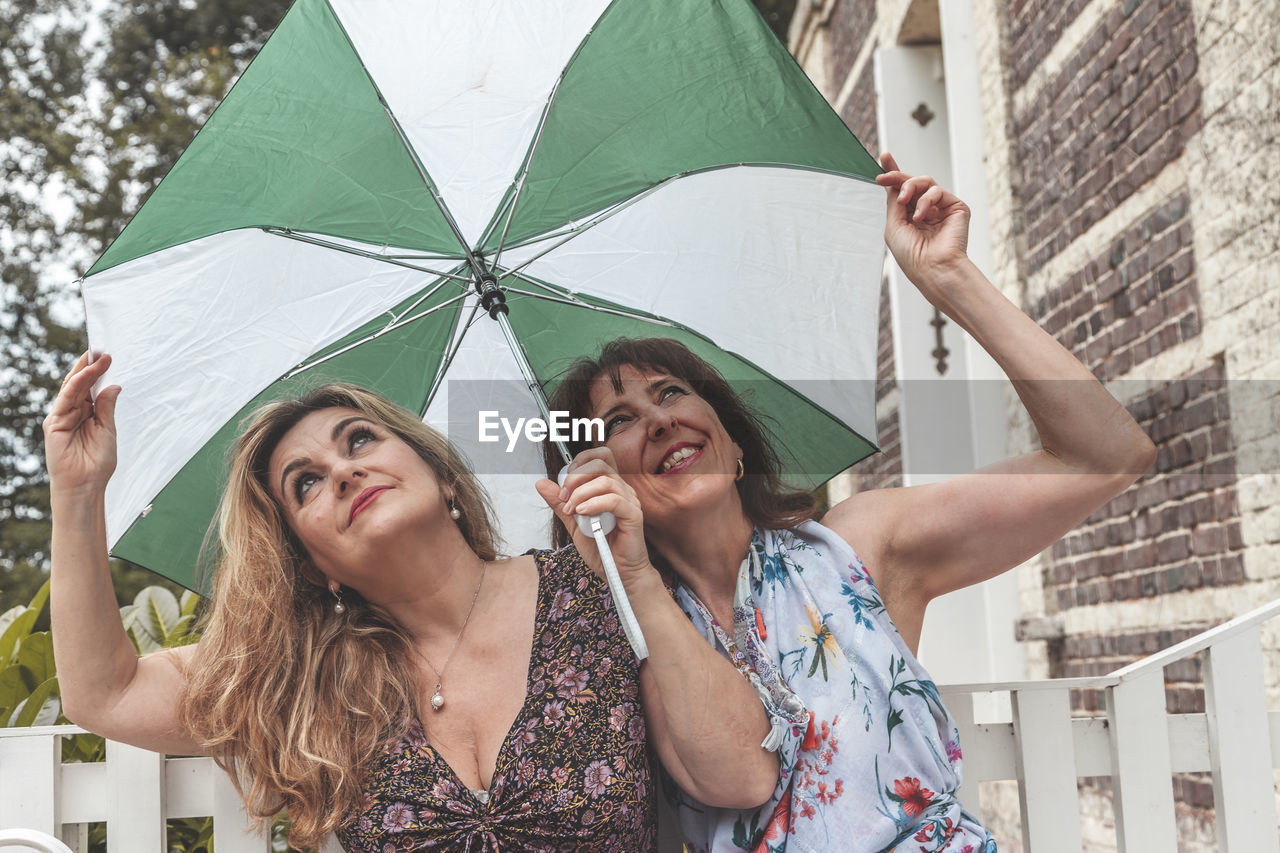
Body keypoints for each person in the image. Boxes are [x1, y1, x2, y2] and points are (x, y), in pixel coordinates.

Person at [540, 154, 1158, 852]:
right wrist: (632, 579)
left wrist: (947, 279)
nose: (659, 420)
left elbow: (1104, 457)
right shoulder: (614, 639)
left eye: (672, 392)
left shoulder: (857, 546)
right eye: (618, 420)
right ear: (591, 480)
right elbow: (739, 779)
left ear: (736, 446)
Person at [44, 371, 779, 850]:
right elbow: (104, 693)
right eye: (305, 483)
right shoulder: (312, 680)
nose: (342, 470)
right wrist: (77, 494)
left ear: (441, 475)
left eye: (359, 439)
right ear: (313, 562)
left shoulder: (588, 588)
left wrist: (638, 578)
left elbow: (742, 777)